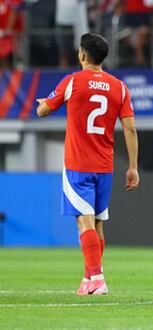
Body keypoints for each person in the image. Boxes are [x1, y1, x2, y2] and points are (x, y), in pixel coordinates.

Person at [36, 33, 139, 296]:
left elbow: (43, 111)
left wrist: (44, 103)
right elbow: (130, 128)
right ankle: (88, 278)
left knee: (84, 222)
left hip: (78, 164)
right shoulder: (119, 87)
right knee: (98, 223)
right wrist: (133, 167)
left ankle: (97, 277)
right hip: (105, 167)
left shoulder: (72, 81)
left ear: (82, 55)